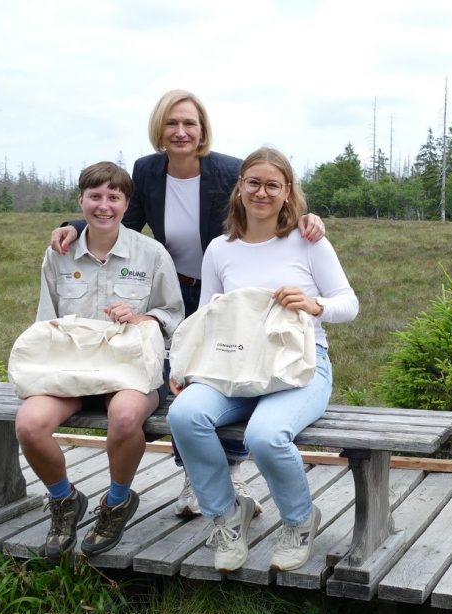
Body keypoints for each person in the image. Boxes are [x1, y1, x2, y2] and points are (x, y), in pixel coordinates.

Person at [50, 90, 327, 519]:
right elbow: (124, 218)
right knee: (184, 381)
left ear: (202, 130)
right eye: (172, 123)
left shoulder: (228, 170)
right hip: (175, 288)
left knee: (233, 372)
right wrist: (74, 226)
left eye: (189, 124)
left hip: (229, 295)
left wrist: (307, 218)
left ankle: (231, 473)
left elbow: (264, 203)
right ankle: (194, 478)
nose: (180, 132)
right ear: (159, 128)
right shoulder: (147, 170)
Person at [166, 147, 358, 573]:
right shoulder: (220, 249)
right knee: (185, 414)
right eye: (253, 183)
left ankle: (299, 520)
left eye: (273, 185)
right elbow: (208, 316)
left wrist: (314, 304)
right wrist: (185, 367)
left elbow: (350, 303)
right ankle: (226, 515)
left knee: (265, 435)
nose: (262, 192)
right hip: (234, 366)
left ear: (288, 191)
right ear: (240, 187)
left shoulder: (308, 242)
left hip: (300, 366)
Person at [16, 161, 184, 560]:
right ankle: (64, 500)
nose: (104, 206)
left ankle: (117, 501)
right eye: (95, 196)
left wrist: (142, 316)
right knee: (29, 424)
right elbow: (46, 320)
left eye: (114, 197)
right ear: (81, 200)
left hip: (129, 368)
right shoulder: (60, 253)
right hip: (70, 367)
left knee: (124, 417)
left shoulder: (151, 253)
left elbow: (174, 316)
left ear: (127, 204)